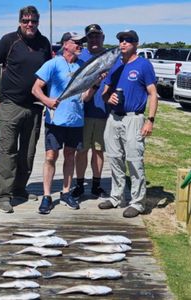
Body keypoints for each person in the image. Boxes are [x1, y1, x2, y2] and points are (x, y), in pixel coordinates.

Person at [0, 6, 52, 213]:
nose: (29, 24)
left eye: (33, 21)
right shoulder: (9, 40)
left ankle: (20, 189)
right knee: (8, 151)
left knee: (29, 152)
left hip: (34, 106)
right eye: (25, 21)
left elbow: (50, 73)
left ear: (38, 22)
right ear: (20, 21)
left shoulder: (44, 43)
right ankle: (4, 195)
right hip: (10, 105)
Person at [32, 32, 103, 214]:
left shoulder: (83, 66)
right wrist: (47, 101)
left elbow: (85, 98)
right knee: (50, 157)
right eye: (77, 42)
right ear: (65, 44)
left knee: (70, 157)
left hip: (75, 120)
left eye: (82, 42)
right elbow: (35, 88)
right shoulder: (53, 63)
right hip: (55, 120)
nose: (81, 45)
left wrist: (95, 84)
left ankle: (65, 192)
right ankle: (47, 196)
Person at [98, 29, 158, 218]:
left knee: (134, 160)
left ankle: (138, 202)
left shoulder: (143, 65)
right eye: (121, 40)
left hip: (134, 118)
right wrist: (109, 98)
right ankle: (117, 197)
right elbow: (104, 93)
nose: (123, 43)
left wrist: (150, 120)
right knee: (115, 159)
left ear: (136, 44)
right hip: (114, 118)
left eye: (128, 40)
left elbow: (153, 94)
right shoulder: (115, 65)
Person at [71, 24, 108, 200]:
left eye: (97, 36)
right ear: (86, 39)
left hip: (103, 112)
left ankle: (96, 185)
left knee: (99, 150)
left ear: (103, 38)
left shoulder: (111, 57)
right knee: (82, 150)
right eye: (91, 36)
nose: (94, 39)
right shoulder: (80, 56)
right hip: (82, 113)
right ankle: (79, 185)